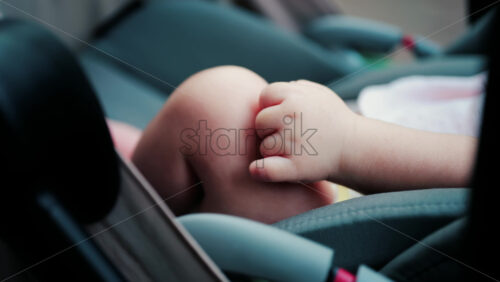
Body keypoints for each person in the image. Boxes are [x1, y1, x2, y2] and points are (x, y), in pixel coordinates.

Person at [128, 65, 476, 224]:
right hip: (353, 135)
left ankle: (125, 221)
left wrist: (349, 142)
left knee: (218, 100)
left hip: (354, 210)